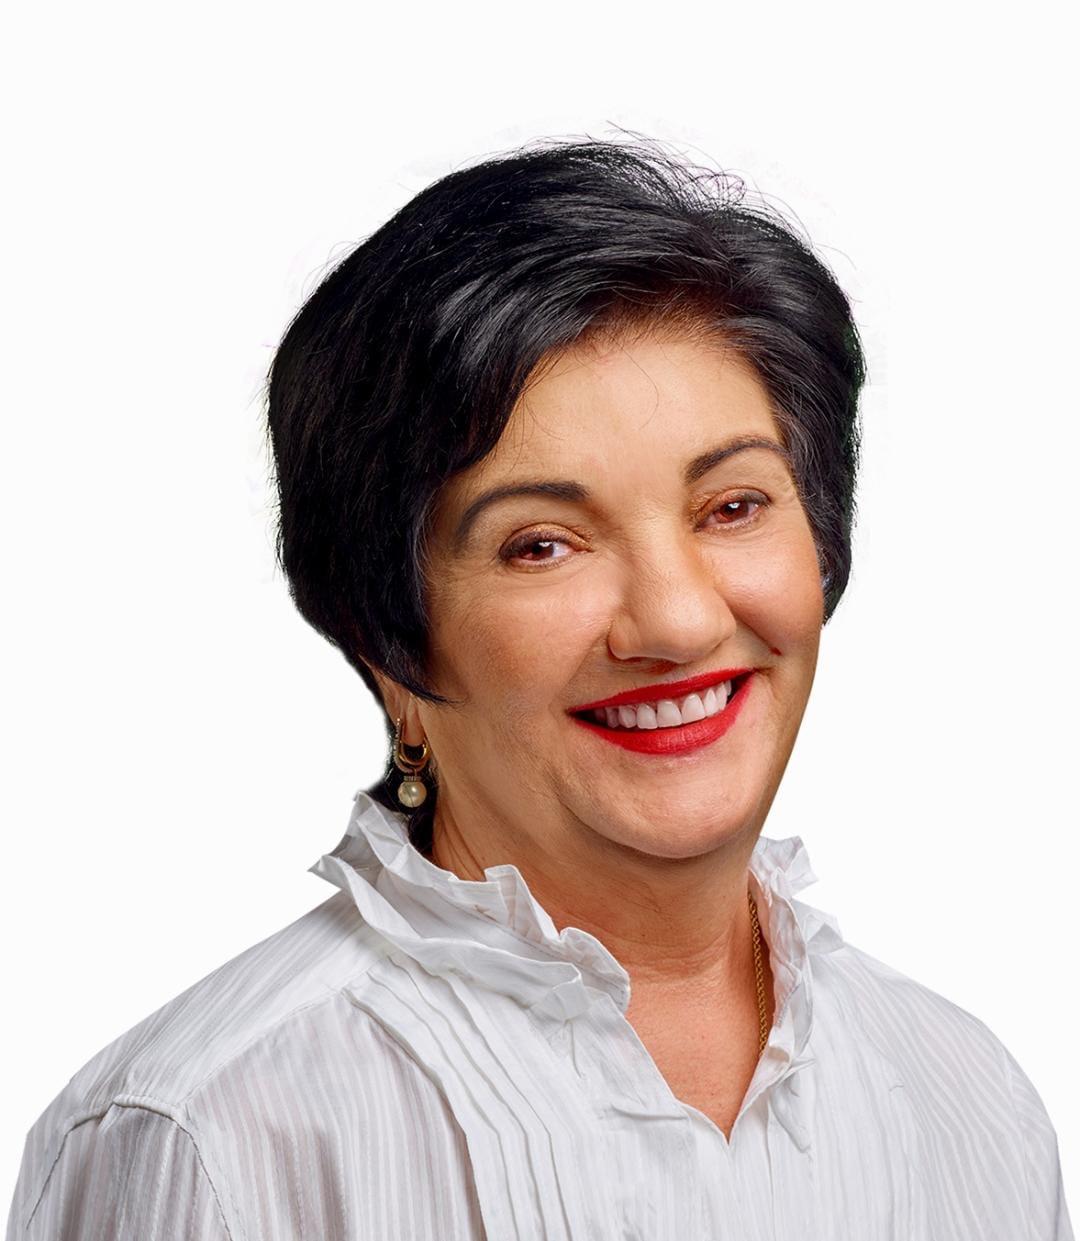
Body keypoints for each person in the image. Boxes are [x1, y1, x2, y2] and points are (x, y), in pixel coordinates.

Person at [6, 137, 1073, 1240]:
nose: (678, 621)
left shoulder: (970, 1102)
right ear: (385, 638)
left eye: (733, 506)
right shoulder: (206, 1134)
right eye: (542, 544)